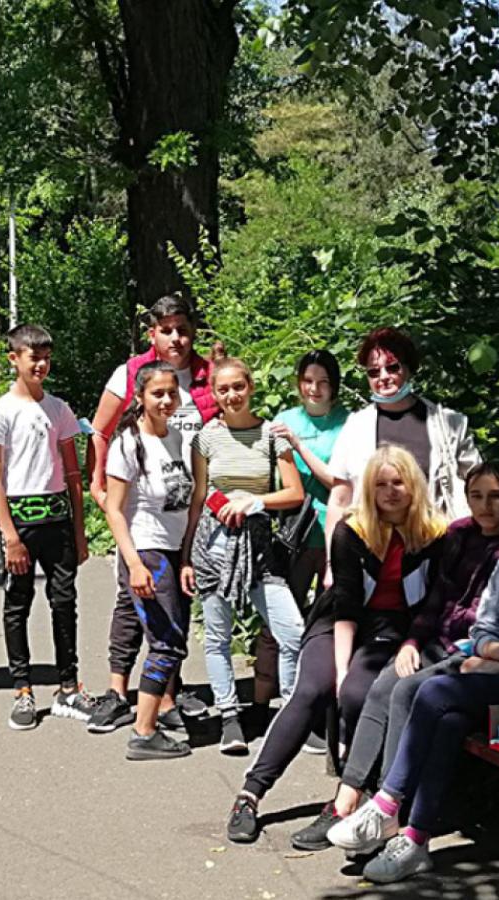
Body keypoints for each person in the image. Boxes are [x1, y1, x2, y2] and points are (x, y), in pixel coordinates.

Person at [327, 472, 499, 884]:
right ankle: (415, 841)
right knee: (450, 721)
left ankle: (387, 804)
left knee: (435, 691)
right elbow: (484, 628)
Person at [289, 461, 499, 851]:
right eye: (477, 496)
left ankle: (384, 807)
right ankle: (348, 801)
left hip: (474, 651)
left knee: (407, 692)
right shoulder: (459, 535)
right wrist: (412, 642)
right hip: (438, 641)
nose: (486, 506)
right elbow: (437, 599)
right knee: (383, 686)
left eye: (496, 496)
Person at [226, 445, 445, 842]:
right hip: (339, 619)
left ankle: (349, 800)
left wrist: (397, 650)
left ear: (413, 485)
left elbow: (432, 601)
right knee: (312, 689)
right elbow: (346, 603)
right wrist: (340, 672)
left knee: (361, 694)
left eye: (398, 483)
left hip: (394, 628)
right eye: (381, 484)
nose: (390, 492)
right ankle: (250, 793)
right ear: (369, 489)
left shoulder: (435, 534)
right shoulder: (351, 530)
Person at [87, 293, 219, 733]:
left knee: (166, 611)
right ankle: (124, 697)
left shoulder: (206, 376)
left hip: (182, 516)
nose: (176, 338)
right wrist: (98, 483)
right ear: (152, 333)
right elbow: (100, 430)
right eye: (166, 330)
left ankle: (166, 696)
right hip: (141, 522)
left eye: (182, 329)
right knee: (142, 608)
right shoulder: (130, 374)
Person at [181, 357, 307, 755]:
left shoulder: (271, 434)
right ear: (215, 394)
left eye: (238, 386)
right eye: (223, 389)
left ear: (250, 387)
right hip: (213, 545)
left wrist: (256, 502)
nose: (232, 395)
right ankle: (229, 718)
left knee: (292, 632)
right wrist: (186, 557)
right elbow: (199, 497)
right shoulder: (206, 438)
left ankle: (290, 716)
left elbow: (295, 493)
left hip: (259, 547)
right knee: (217, 637)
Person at [0, 324, 94, 730]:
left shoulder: (59, 409)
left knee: (64, 602)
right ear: (14, 359)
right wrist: (10, 537)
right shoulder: (1, 411)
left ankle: (68, 686)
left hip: (57, 520)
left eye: (46, 357)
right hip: (20, 522)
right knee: (18, 604)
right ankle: (22, 689)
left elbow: (73, 474)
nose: (41, 365)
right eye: (34, 357)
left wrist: (79, 531)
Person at [103, 362, 195, 760]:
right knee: (166, 642)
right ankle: (144, 731)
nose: (166, 400)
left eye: (172, 393)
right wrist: (135, 564)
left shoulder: (177, 437)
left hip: (174, 551)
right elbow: (114, 509)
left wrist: (187, 556)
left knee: (172, 639)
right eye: (157, 393)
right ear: (140, 397)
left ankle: (154, 717)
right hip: (146, 550)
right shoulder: (127, 443)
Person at [325, 328, 480, 556]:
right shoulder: (355, 426)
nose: (383, 377)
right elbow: (339, 498)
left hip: (435, 548)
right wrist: (331, 562)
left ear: (408, 368)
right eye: (373, 372)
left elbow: (477, 483)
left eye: (392, 367)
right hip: (372, 551)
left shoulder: (447, 424)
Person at [254, 350, 349, 713]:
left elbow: (336, 480)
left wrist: (298, 445)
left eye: (323, 382)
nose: (314, 389)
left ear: (334, 386)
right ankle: (261, 703)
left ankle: (319, 701)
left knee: (330, 620)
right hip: (292, 535)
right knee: (278, 618)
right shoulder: (284, 419)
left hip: (336, 535)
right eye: (308, 381)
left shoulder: (348, 424)